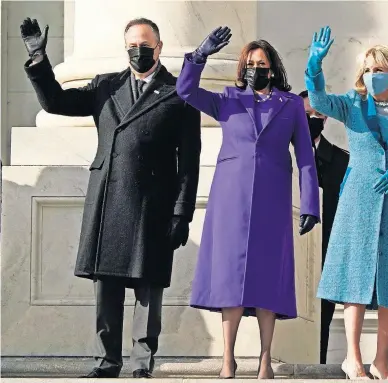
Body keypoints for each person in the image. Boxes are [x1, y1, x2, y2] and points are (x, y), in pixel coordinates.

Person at [21, 17, 201, 378]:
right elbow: (56, 102)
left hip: (154, 204)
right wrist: (39, 61)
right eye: (132, 46)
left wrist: (181, 213)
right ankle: (108, 360)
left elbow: (189, 161)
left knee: (148, 288)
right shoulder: (106, 86)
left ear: (159, 47)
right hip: (109, 200)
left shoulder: (179, 93)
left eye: (145, 45)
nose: (138, 52)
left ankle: (140, 364)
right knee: (108, 286)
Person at [176, 27, 320, 379]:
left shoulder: (289, 106)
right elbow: (185, 90)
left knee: (268, 280)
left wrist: (310, 205)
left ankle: (266, 359)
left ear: (272, 68)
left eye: (263, 63)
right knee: (231, 280)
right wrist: (199, 56)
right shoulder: (227, 98)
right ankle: (228, 358)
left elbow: (305, 157)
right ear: (243, 68)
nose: (257, 67)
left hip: (272, 200)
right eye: (251, 63)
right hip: (230, 201)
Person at [306, 27, 388, 379]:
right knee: (355, 278)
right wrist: (314, 65)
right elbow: (318, 100)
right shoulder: (351, 104)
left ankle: (381, 360)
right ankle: (353, 358)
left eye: (380, 70)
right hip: (359, 200)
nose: (374, 76)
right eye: (368, 70)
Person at [300, 90, 350, 364]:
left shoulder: (343, 162)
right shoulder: (280, 157)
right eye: (306, 114)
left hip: (328, 257)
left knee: (320, 325)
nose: (311, 120)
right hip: (288, 254)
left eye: (317, 115)